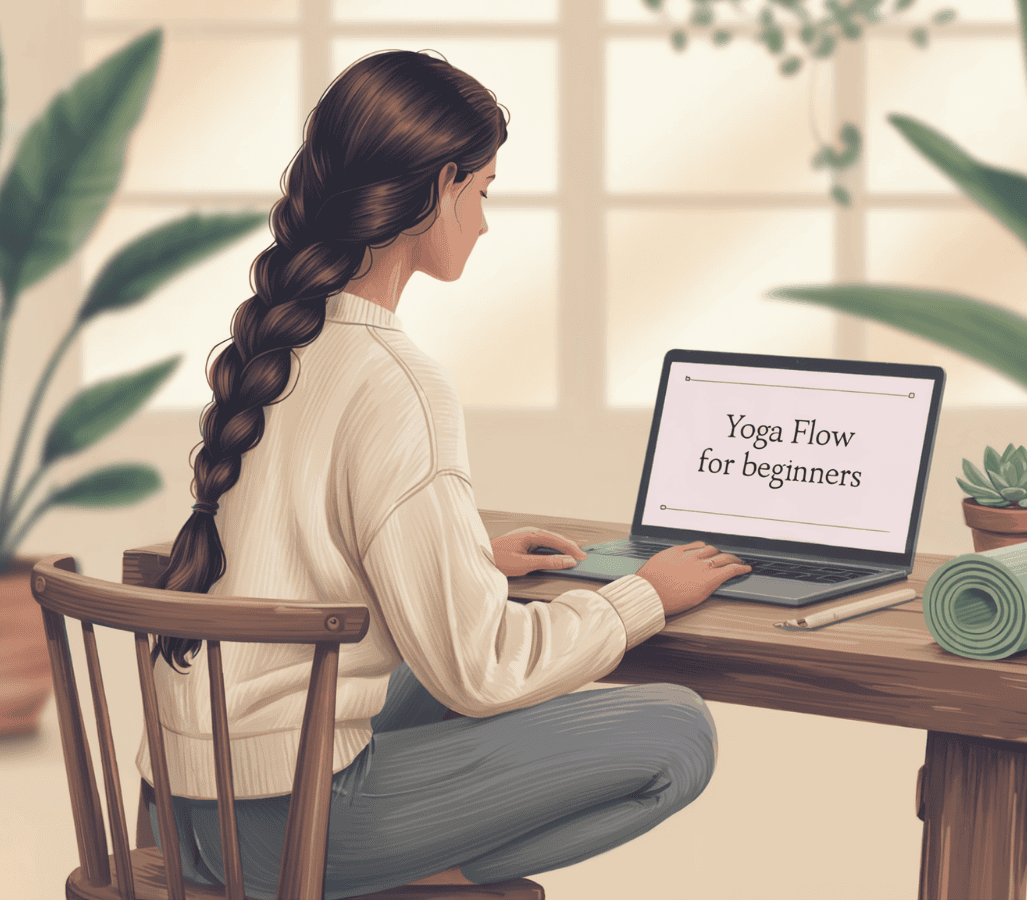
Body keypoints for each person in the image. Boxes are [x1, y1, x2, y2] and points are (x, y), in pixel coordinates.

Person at [139, 49, 752, 898]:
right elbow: (480, 669)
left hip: (184, 813)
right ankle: (423, 883)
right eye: (485, 191)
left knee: (452, 679)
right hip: (289, 832)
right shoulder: (397, 381)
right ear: (440, 184)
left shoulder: (282, 347)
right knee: (680, 734)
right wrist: (643, 595)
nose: (487, 221)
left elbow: (297, 546)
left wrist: (469, 563)